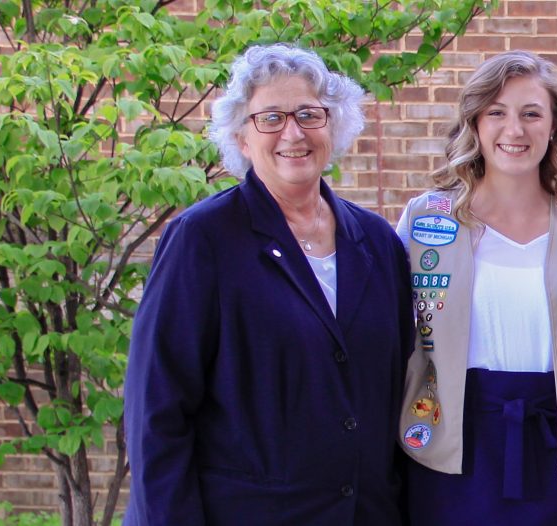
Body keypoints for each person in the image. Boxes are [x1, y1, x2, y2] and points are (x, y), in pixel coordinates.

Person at [124, 43, 411, 526]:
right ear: (241, 137)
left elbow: (399, 394)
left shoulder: (378, 243)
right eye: (271, 118)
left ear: (333, 125)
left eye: (308, 114)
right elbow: (156, 412)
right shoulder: (203, 240)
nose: (293, 133)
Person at [395, 51, 557, 525]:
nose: (514, 130)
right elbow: (395, 338)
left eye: (531, 114)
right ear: (474, 124)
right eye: (496, 112)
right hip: (451, 444)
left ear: (554, 126)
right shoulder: (426, 220)